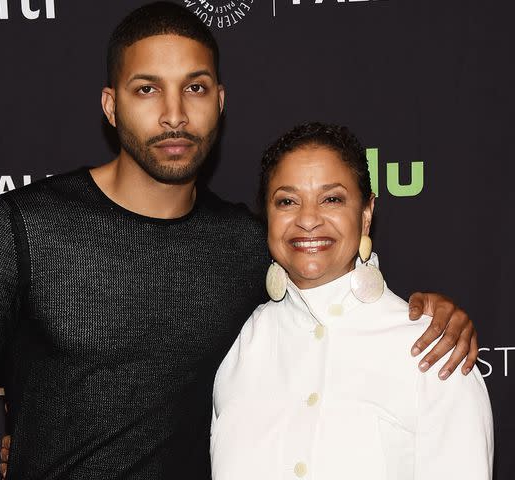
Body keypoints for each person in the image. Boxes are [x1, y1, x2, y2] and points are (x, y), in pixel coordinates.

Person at [0, 3, 478, 479]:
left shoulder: (245, 243)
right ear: (112, 105)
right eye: (147, 89)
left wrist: (433, 313)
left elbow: (329, 281)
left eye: (195, 88)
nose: (174, 115)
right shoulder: (24, 227)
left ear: (220, 100)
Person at [210, 123, 493, 480]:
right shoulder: (242, 347)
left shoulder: (432, 350)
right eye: (287, 201)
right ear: (267, 216)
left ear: (366, 213)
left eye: (332, 199)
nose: (308, 219)